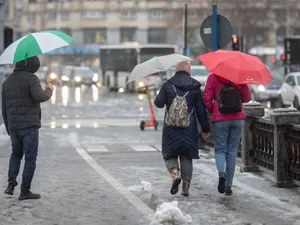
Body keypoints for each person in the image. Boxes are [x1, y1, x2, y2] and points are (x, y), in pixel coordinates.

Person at [154, 61, 210, 196]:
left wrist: (163, 89)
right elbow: (201, 110)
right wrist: (205, 128)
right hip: (188, 129)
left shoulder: (168, 84)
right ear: (188, 70)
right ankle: (185, 187)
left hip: (170, 128)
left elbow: (158, 103)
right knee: (187, 156)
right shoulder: (195, 86)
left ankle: (175, 175)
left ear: (176, 70)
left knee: (169, 154)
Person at [2, 56, 54, 200]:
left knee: (16, 154)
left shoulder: (7, 82)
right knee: (30, 158)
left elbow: (4, 109)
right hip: (29, 125)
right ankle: (25, 191)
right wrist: (50, 90)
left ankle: (11, 185)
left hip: (14, 127)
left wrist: (9, 128)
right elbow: (40, 96)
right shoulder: (31, 78)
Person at [204, 74, 251, 196]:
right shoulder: (238, 77)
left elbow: (207, 100)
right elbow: (246, 98)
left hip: (220, 119)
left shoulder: (213, 78)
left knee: (220, 150)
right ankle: (228, 186)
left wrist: (214, 110)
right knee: (232, 152)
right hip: (237, 118)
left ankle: (221, 174)